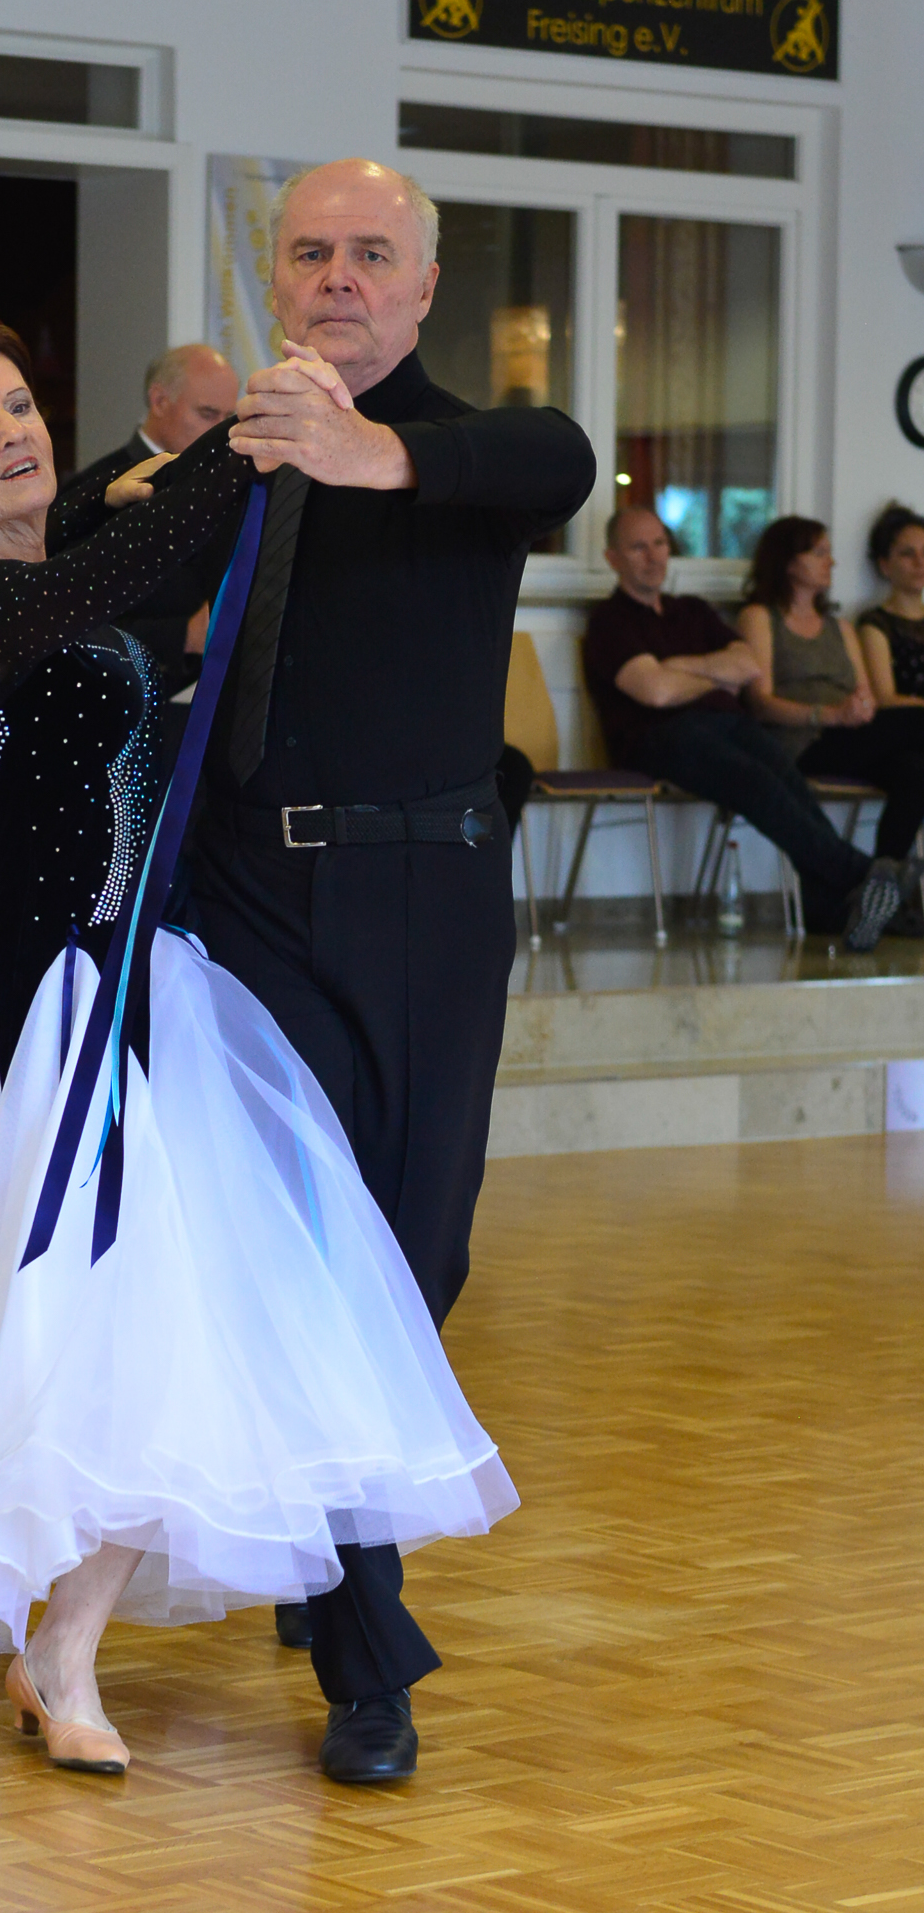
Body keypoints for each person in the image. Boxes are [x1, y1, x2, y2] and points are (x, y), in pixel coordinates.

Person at [0, 314, 515, 1781]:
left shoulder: (58, 562)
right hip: (41, 1022)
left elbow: (119, 531)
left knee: (186, 1339)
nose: (11, 432)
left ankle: (64, 1648)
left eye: (19, 405)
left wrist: (232, 443)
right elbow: (118, 562)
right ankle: (51, 1643)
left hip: (154, 998)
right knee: (64, 1344)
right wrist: (254, 437)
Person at [157, 159, 592, 1783]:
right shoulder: (237, 456)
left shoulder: (472, 451)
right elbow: (97, 574)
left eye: (371, 254)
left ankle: (324, 1527)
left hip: (424, 895)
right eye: (311, 253)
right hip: (246, 894)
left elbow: (557, 456)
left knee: (416, 1257)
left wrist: (375, 453)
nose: (339, 277)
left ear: (421, 288)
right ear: (276, 281)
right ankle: (366, 1655)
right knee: (305, 1255)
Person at [583, 507, 910, 950]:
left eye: (659, 543)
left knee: (788, 781)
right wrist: (714, 673)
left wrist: (680, 667)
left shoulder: (693, 611)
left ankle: (831, 909)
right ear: (612, 558)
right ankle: (864, 875)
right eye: (638, 547)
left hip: (729, 723)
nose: (653, 556)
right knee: (755, 783)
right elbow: (655, 693)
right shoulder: (609, 621)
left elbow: (747, 666)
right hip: (659, 737)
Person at [736, 517, 924, 929]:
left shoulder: (840, 626)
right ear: (789, 562)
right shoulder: (760, 617)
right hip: (799, 743)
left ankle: (879, 897)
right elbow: (760, 703)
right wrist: (829, 714)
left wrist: (858, 707)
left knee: (915, 770)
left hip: (849, 736)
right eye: (819, 553)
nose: (832, 562)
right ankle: (879, 894)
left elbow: (865, 693)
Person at [49, 344, 240, 743]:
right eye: (208, 414)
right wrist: (183, 635)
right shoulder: (95, 494)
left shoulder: (229, 484)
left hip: (217, 715)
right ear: (159, 401)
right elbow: (68, 625)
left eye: (229, 418)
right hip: (120, 722)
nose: (221, 431)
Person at [858, 503, 924, 710]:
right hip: (907, 725)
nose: (920, 562)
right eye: (907, 553)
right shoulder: (875, 624)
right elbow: (885, 699)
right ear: (885, 565)